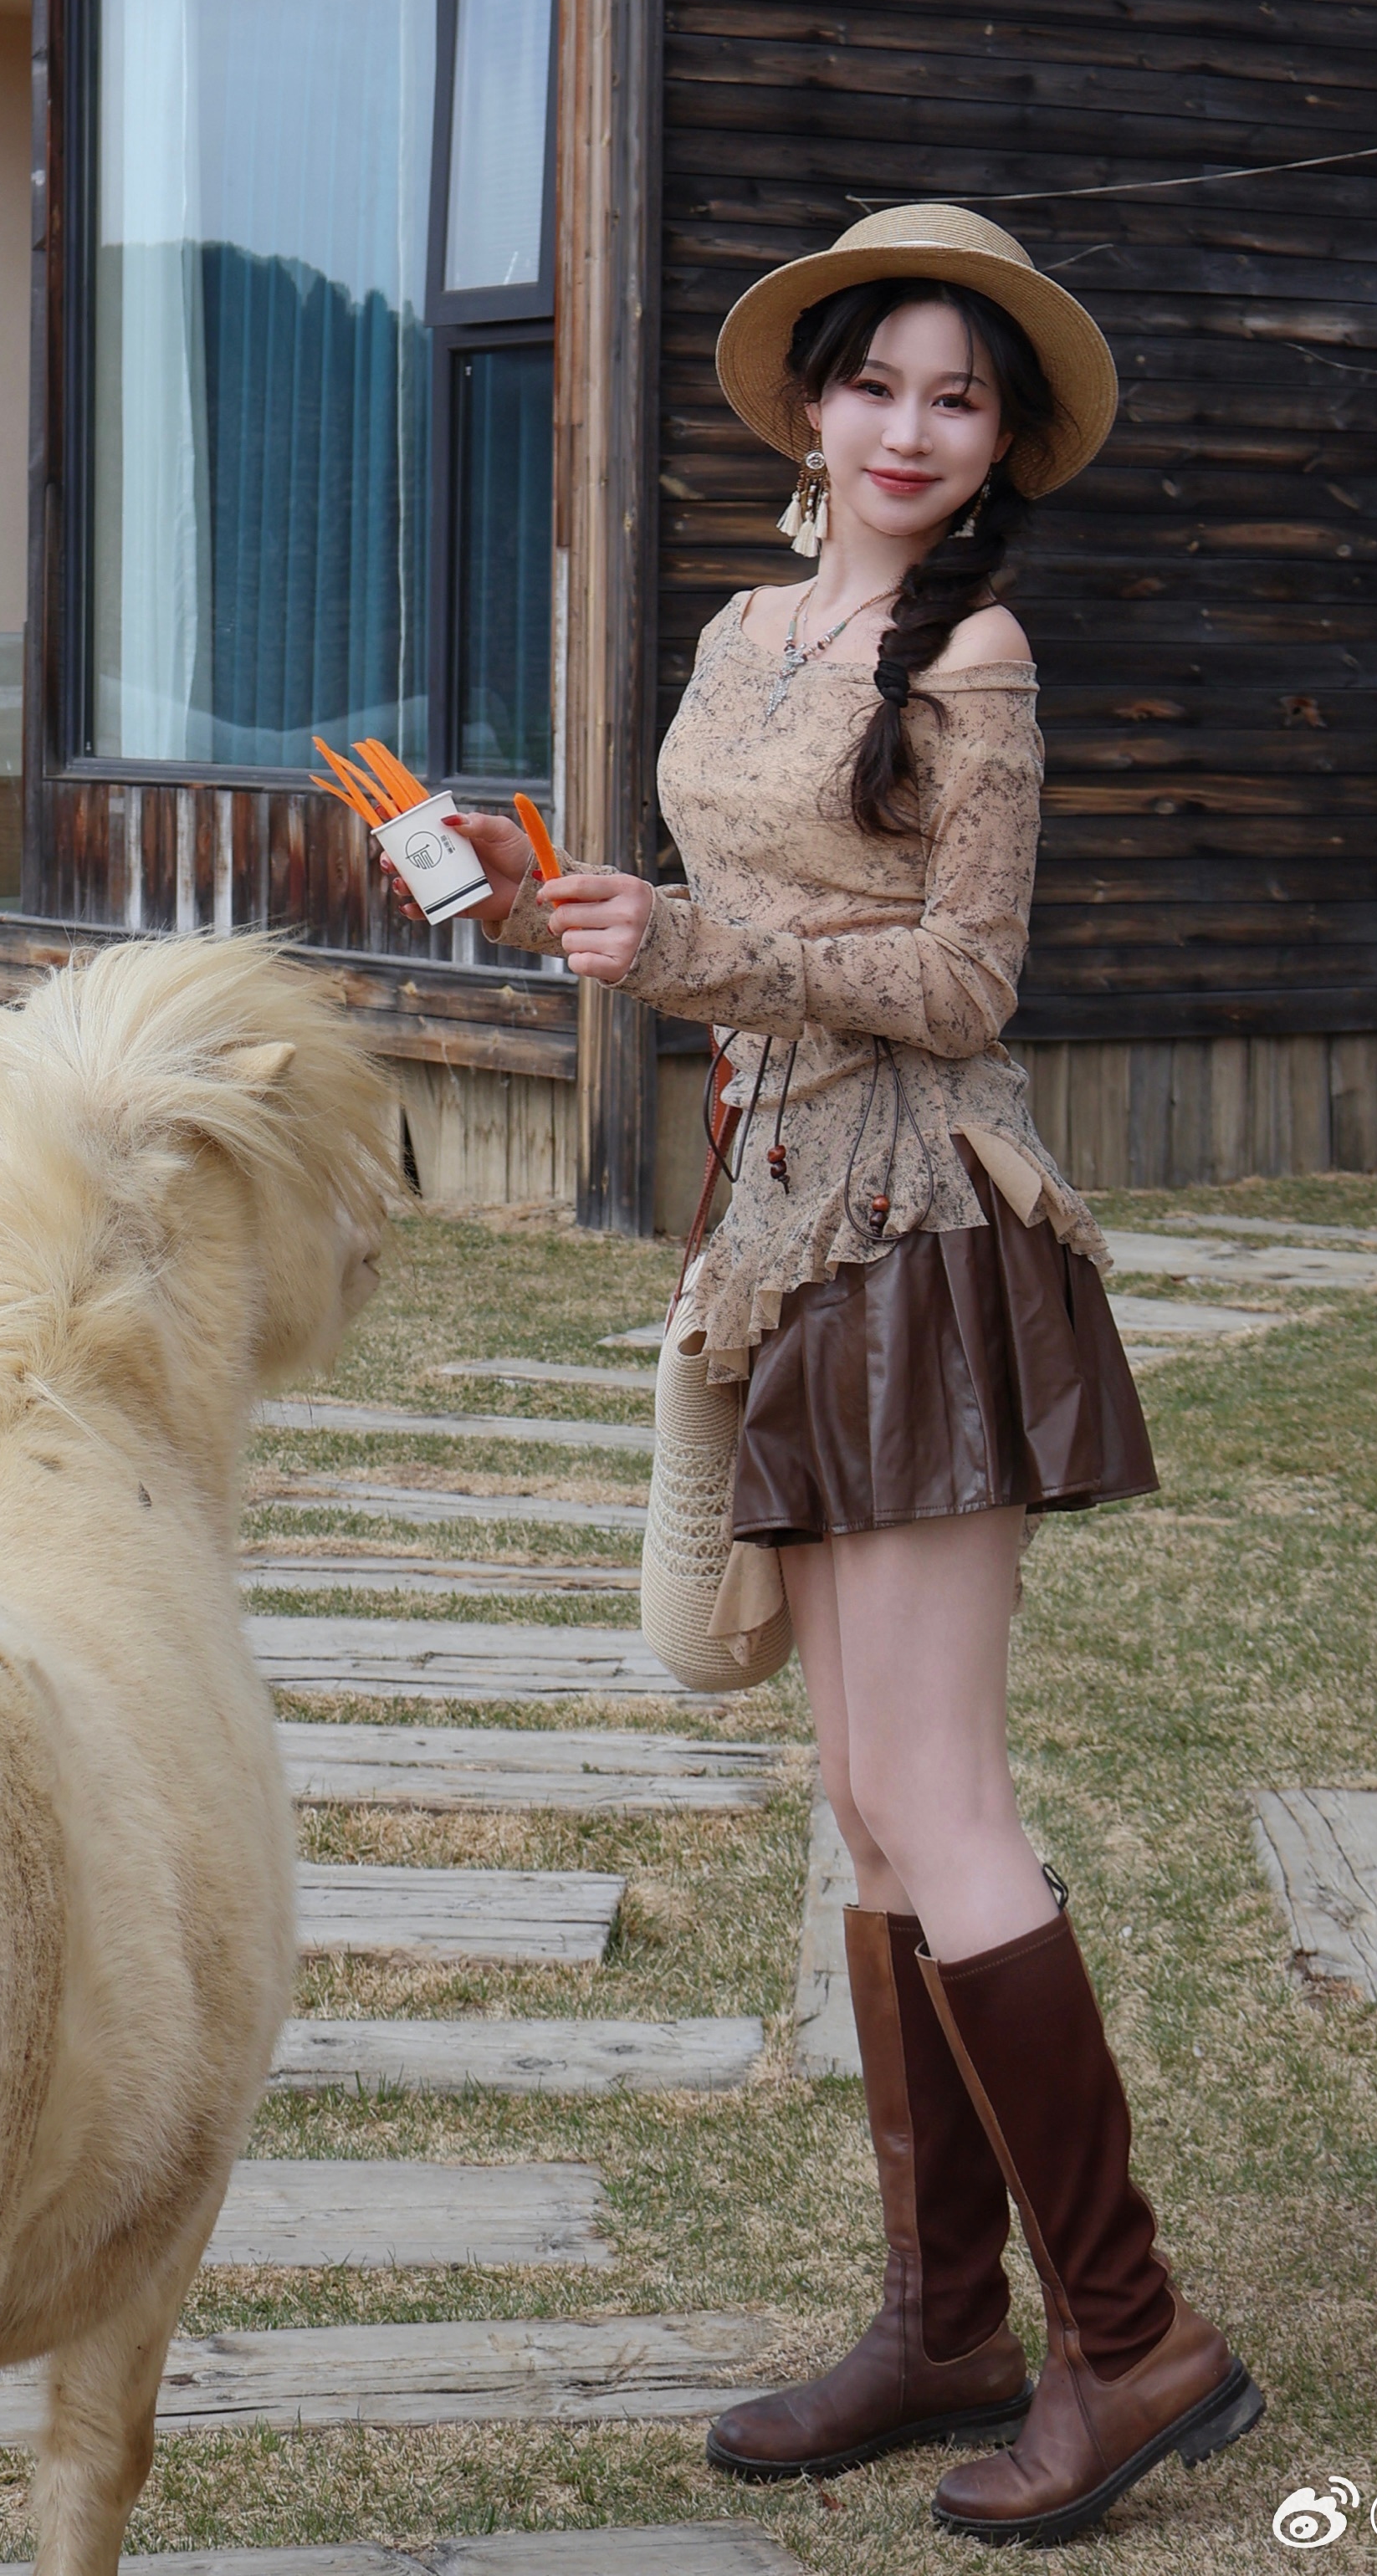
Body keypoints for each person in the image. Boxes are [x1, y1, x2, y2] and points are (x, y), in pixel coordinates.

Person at [430, 203, 1264, 2548]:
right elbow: (728, 910)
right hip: (781, 1224)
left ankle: (1137, 2339)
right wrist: (553, 885)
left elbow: (971, 980)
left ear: (999, 443)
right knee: (864, 1806)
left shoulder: (975, 654)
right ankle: (947, 2325)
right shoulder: (742, 632)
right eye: (878, 381)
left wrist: (706, 952)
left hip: (926, 1233)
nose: (910, 427)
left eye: (957, 398)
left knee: (936, 1791)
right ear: (813, 405)